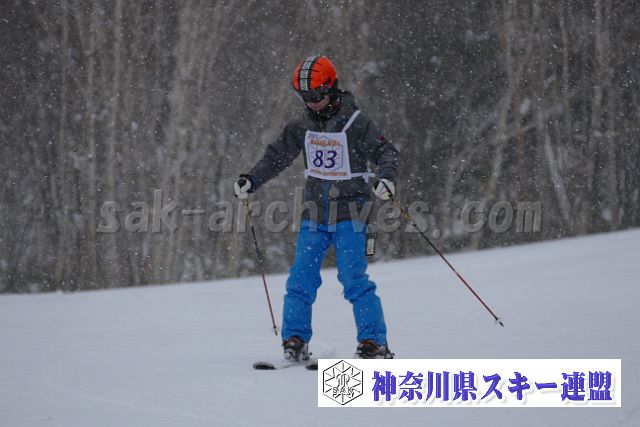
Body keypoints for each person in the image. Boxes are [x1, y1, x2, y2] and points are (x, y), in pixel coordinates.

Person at [234, 55, 398, 360]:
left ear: (331, 88)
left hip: (351, 212)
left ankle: (374, 342)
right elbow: (276, 156)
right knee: (301, 279)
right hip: (315, 212)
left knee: (353, 279)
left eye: (317, 95)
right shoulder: (301, 125)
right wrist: (251, 179)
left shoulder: (355, 123)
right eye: (304, 97)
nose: (312, 103)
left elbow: (386, 151)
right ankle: (294, 339)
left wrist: (387, 178)